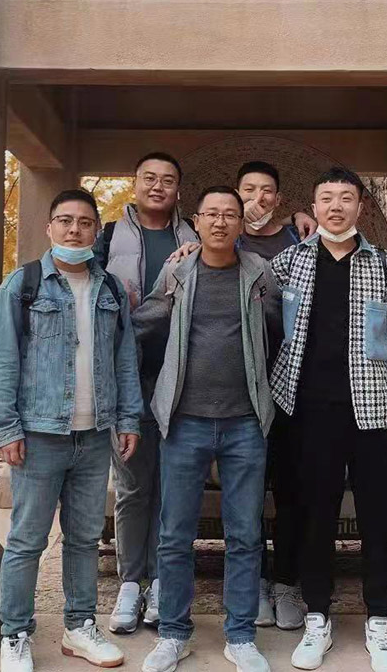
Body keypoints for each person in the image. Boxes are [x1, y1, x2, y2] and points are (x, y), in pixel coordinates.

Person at [268, 167, 387, 672]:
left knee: (378, 520)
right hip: (306, 413)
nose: (336, 207)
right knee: (314, 517)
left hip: (374, 413)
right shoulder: (287, 263)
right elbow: (242, 291)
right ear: (313, 206)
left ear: (361, 206)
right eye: (326, 198)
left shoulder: (383, 267)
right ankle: (317, 617)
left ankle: (378, 621)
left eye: (345, 198)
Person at [0, 188, 144, 672]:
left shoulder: (109, 289)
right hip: (38, 435)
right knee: (27, 539)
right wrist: (5, 428)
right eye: (66, 220)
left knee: (84, 538)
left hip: (94, 435)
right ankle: (16, 633)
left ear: (96, 231)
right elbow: (0, 360)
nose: (75, 229)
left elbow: (124, 358)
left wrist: (129, 417)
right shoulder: (23, 285)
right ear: (50, 227)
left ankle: (80, 626)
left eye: (85, 222)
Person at [133, 186, 282, 672]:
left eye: (229, 215)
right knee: (175, 535)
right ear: (195, 221)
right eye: (211, 214)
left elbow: (279, 329)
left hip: (245, 422)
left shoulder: (260, 273)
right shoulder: (177, 271)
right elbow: (146, 323)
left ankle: (240, 635)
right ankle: (173, 633)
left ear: (241, 224)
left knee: (245, 534)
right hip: (185, 422)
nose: (220, 222)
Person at [97, 152, 199, 635]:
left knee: (171, 486)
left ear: (179, 189)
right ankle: (130, 582)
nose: (158, 187)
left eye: (168, 180)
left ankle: (161, 581)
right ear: (134, 184)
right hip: (129, 378)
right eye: (149, 178)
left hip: (182, 379)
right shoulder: (107, 238)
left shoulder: (195, 237)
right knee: (133, 485)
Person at [234, 161, 303, 631]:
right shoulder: (221, 240)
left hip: (292, 385)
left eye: (266, 191)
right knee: (247, 491)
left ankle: (287, 581)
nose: (257, 199)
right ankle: (255, 581)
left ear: (278, 199)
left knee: (291, 488)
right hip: (240, 386)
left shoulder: (298, 239)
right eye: (248, 190)